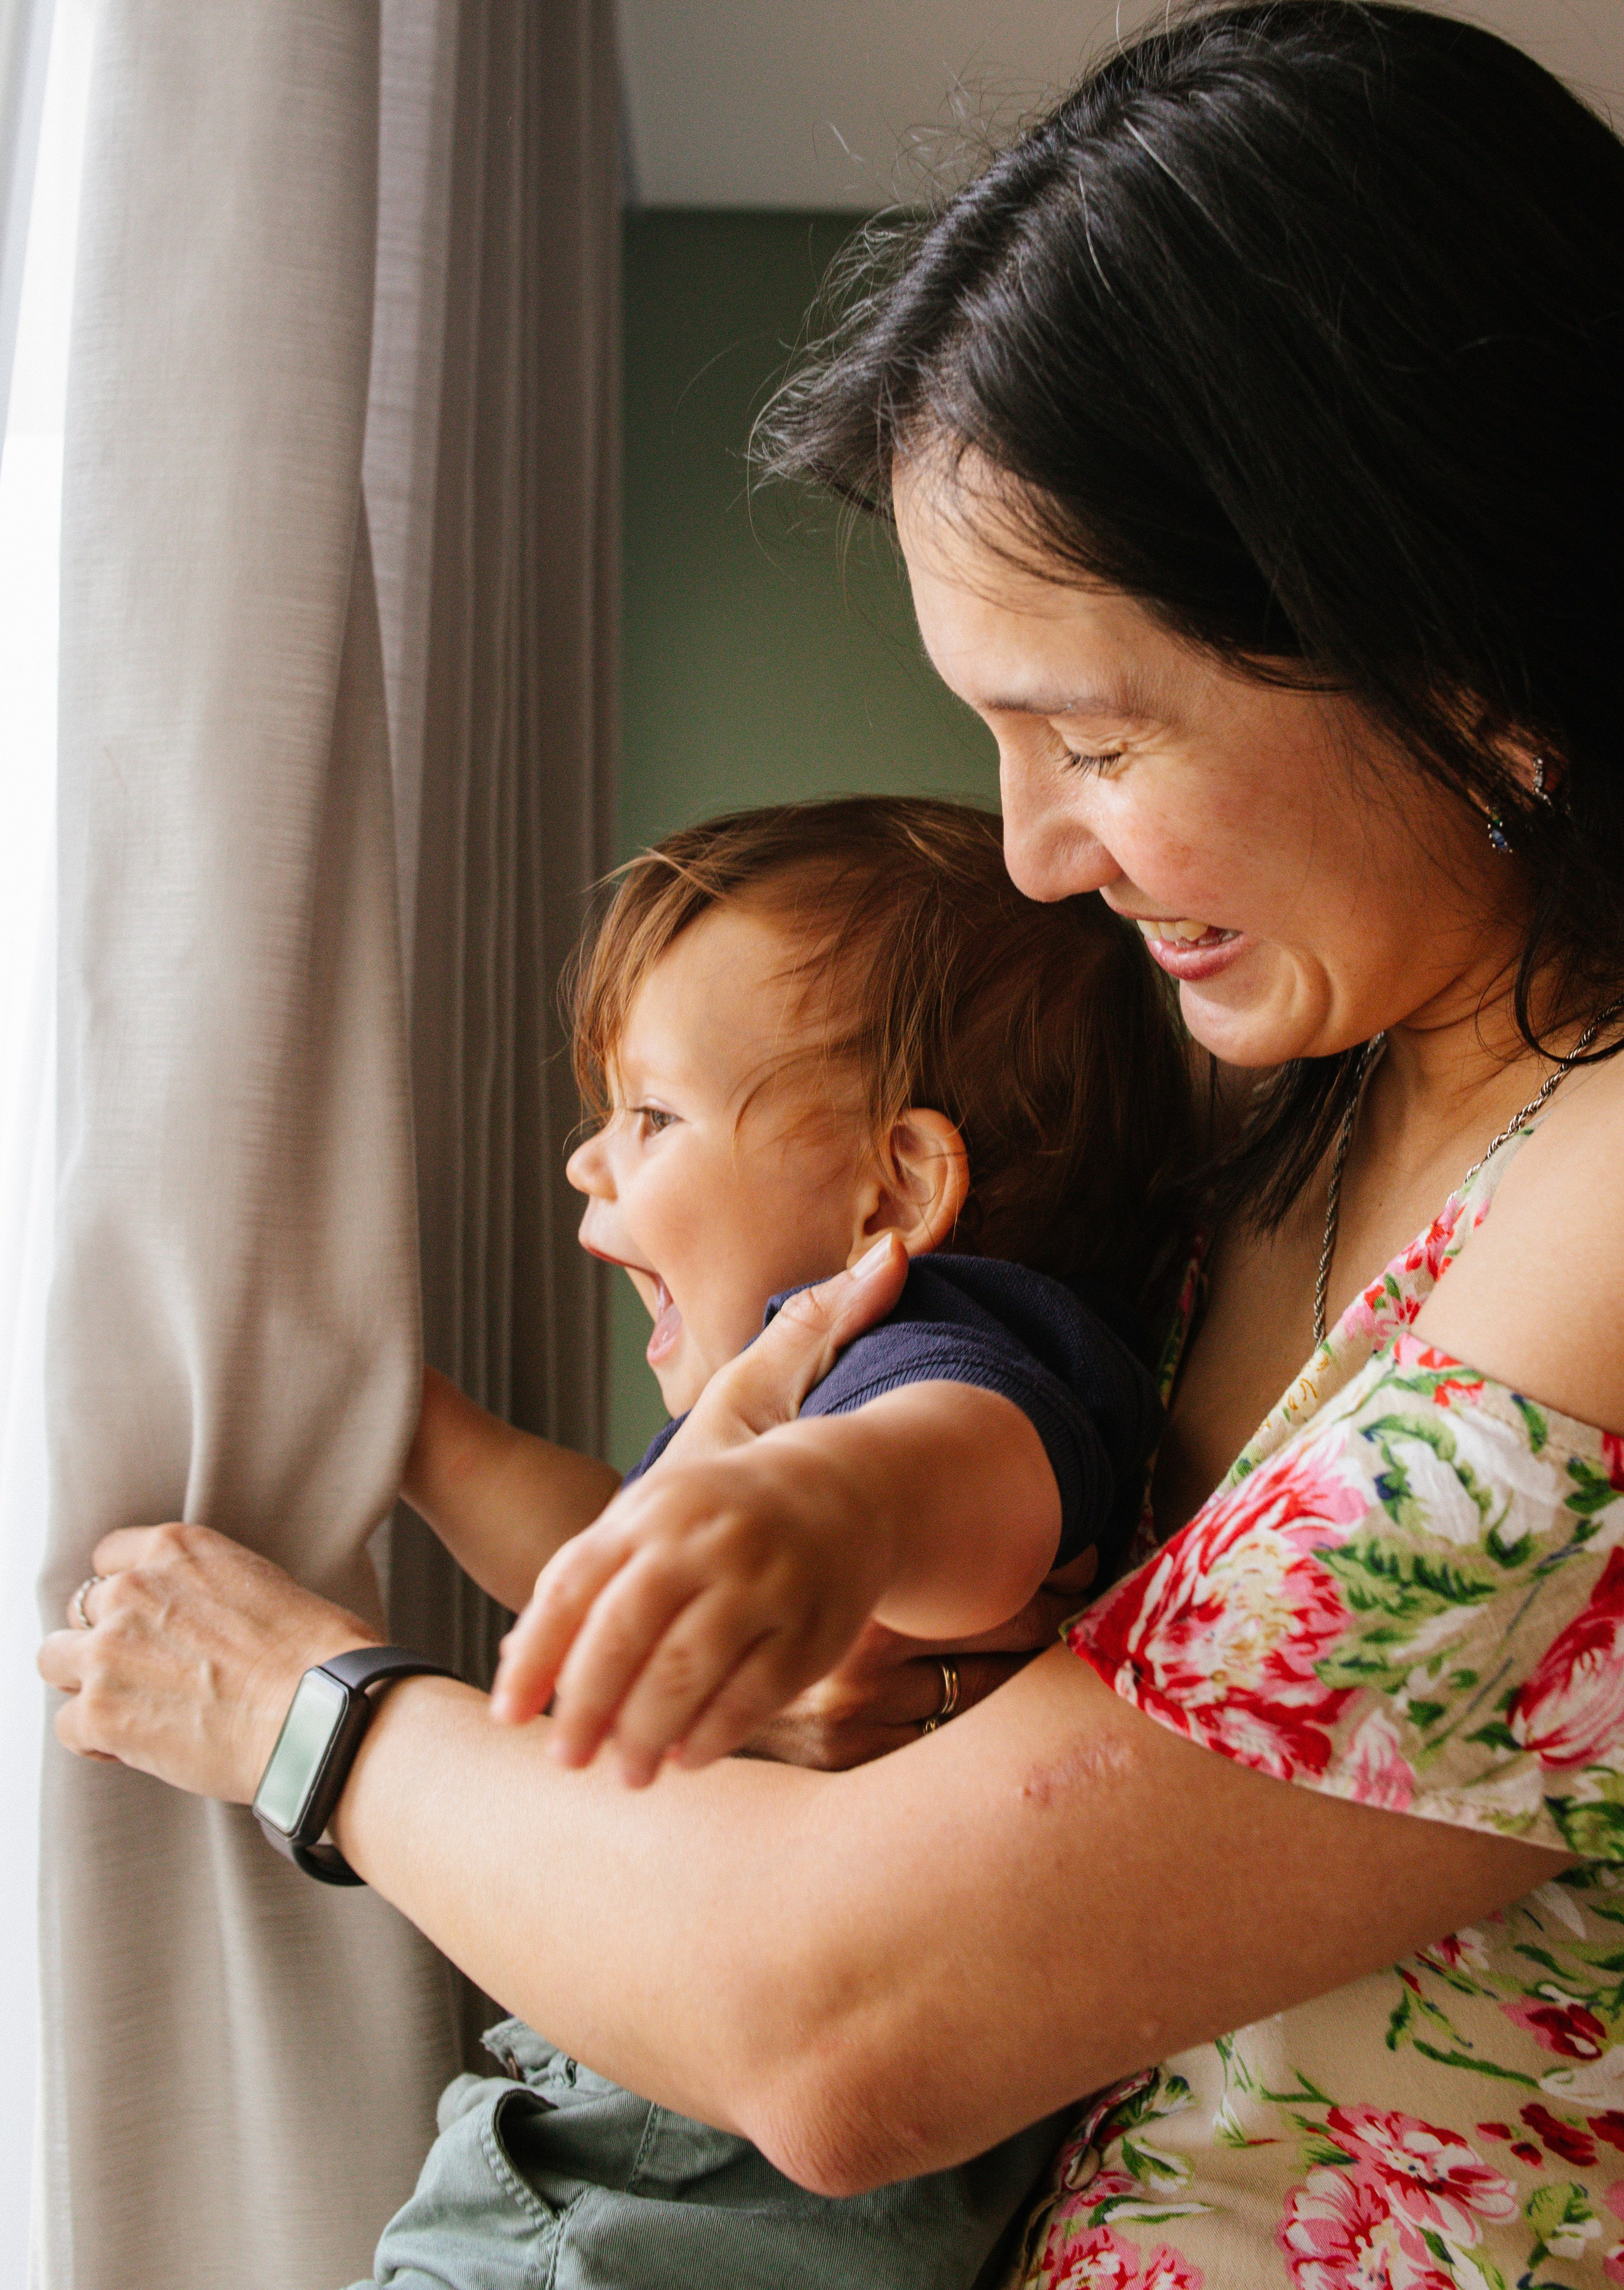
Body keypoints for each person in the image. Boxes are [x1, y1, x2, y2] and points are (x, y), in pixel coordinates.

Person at [39, 6, 1624, 2286]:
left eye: (1089, 731)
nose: (1036, 855)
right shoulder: (1303, 1099)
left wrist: (303, 1716)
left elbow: (843, 2027)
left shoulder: (1597, 1215)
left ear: (1457, 634)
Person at [353, 794, 1182, 2289]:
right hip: (632, 2178)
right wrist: (418, 1431)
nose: (586, 1167)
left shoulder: (945, 1348)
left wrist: (828, 1509)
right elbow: (609, 1555)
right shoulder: (810, 1414)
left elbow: (963, 1492)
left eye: (651, 1116)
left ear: (897, 1187)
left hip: (667, 2204)